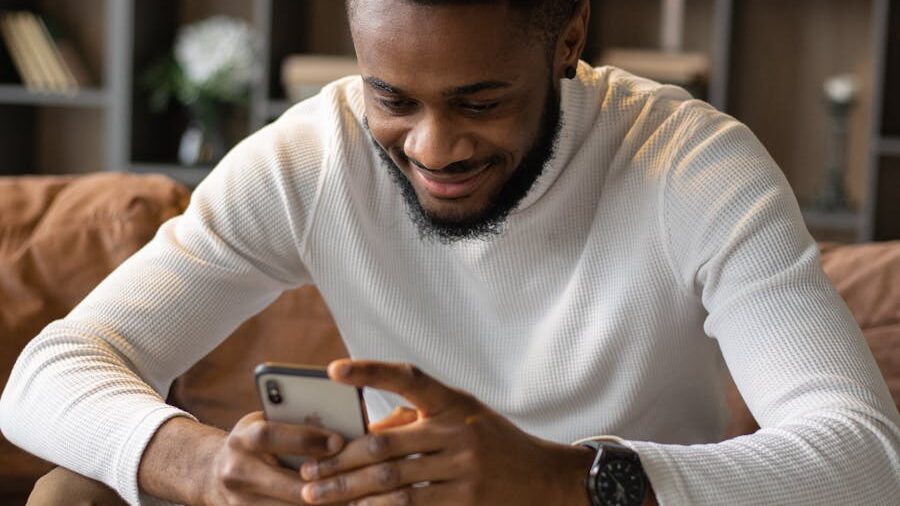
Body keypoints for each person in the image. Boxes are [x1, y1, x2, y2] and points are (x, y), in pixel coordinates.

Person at [2, 0, 899, 504]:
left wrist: (561, 480)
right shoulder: (311, 155)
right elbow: (50, 370)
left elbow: (864, 456)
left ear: (568, 43)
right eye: (392, 97)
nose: (432, 150)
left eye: (479, 103)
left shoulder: (693, 164)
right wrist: (198, 465)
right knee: (69, 495)